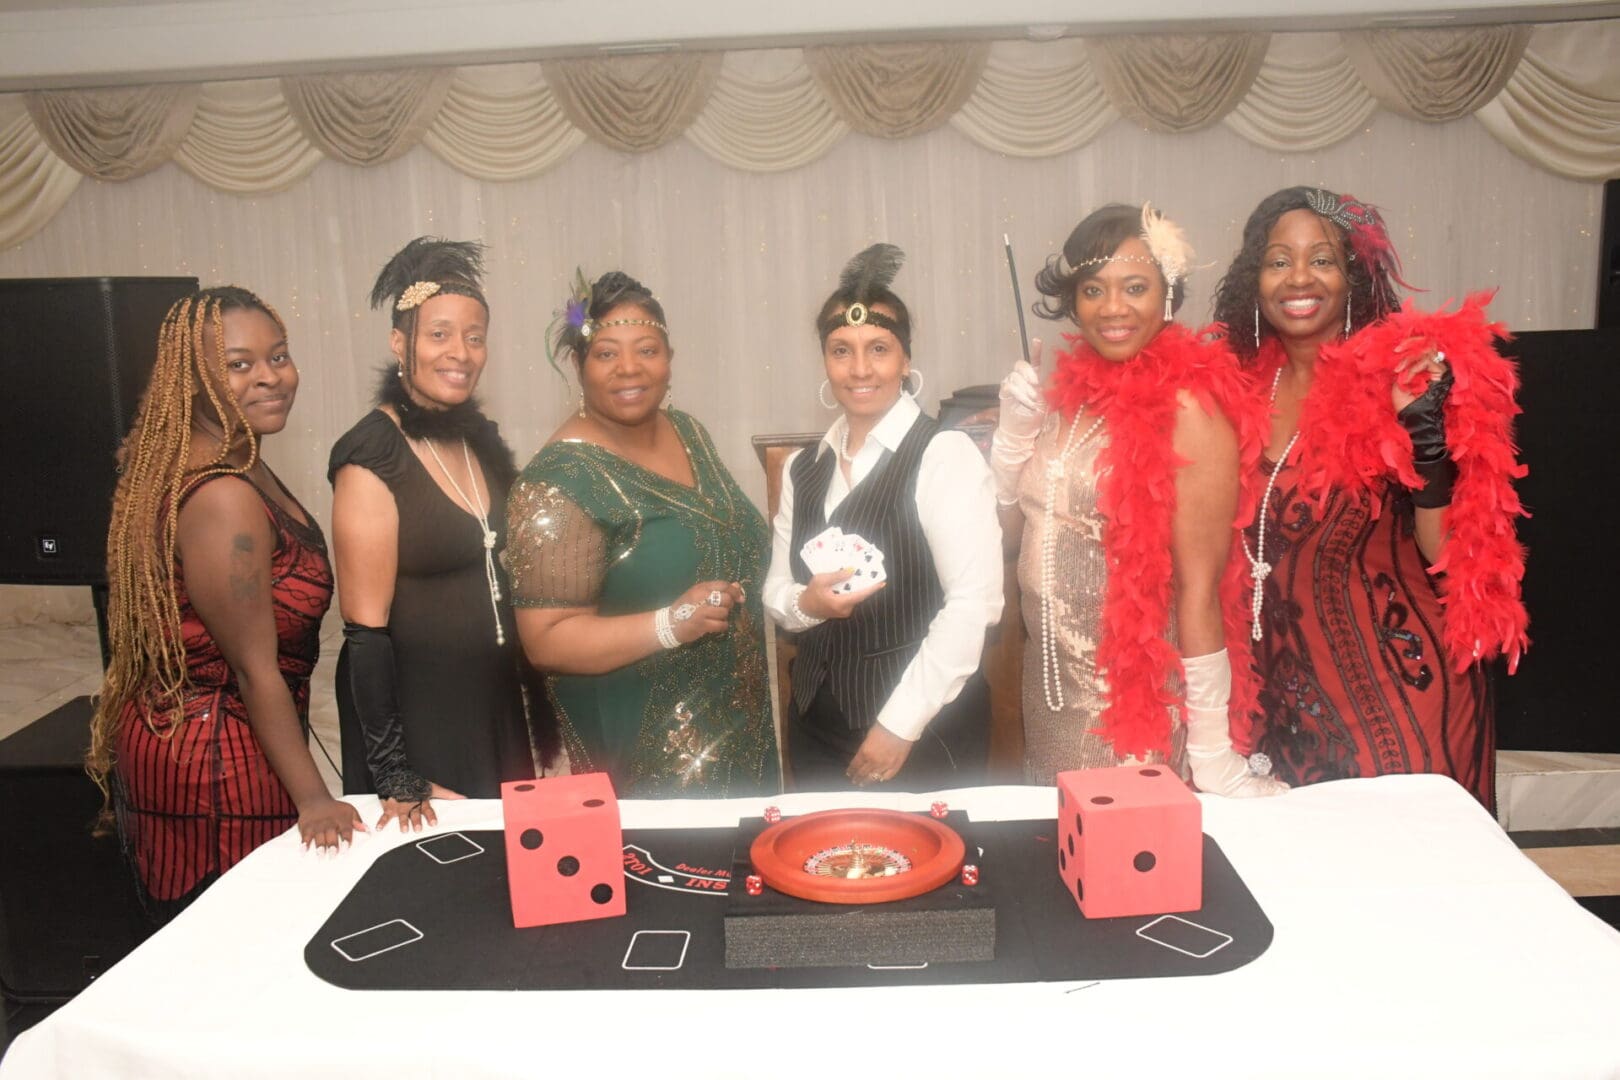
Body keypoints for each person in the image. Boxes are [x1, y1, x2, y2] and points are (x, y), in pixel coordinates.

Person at [1210, 187, 1527, 809]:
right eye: (1279, 261)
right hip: (1281, 708)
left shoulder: (1406, 373)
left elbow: (1454, 560)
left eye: (1322, 259)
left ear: (1354, 274)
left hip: (1401, 696)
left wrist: (1428, 444)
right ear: (1255, 277)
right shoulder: (1233, 387)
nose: (1299, 278)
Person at [990, 203, 1288, 796]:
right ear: (1074, 302)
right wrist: (1012, 439)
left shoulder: (1189, 409)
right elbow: (1010, 537)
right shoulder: (1065, 401)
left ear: (1167, 294)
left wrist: (1211, 753)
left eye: (1135, 287)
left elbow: (1203, 590)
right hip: (1048, 702)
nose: (1114, 308)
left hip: (1131, 721)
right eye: (1093, 290)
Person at [87, 287, 362, 920]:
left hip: (216, 739)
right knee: (232, 961)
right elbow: (254, 668)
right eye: (239, 364)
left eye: (279, 356)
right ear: (194, 377)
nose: (271, 377)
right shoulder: (222, 496)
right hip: (214, 764)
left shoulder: (236, 456)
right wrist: (315, 800)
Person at [504, 270, 776, 796]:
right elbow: (546, 641)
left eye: (646, 349)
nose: (629, 368)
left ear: (669, 358)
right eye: (606, 353)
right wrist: (671, 625)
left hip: (742, 734)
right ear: (579, 367)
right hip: (646, 760)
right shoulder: (558, 484)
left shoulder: (688, 431)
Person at [763, 243, 1003, 791]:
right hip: (815, 728)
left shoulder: (944, 456)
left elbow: (974, 606)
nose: (861, 369)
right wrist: (806, 603)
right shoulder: (804, 468)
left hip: (923, 731)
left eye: (878, 348)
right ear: (825, 362)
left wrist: (899, 725)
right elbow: (776, 589)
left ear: (905, 361)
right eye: (841, 351)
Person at [330, 237, 536, 831]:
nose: (461, 353)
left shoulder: (476, 437)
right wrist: (395, 771)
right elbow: (365, 633)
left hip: (491, 704)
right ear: (401, 343)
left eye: (475, 337)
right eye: (439, 334)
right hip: (421, 717)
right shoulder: (373, 454)